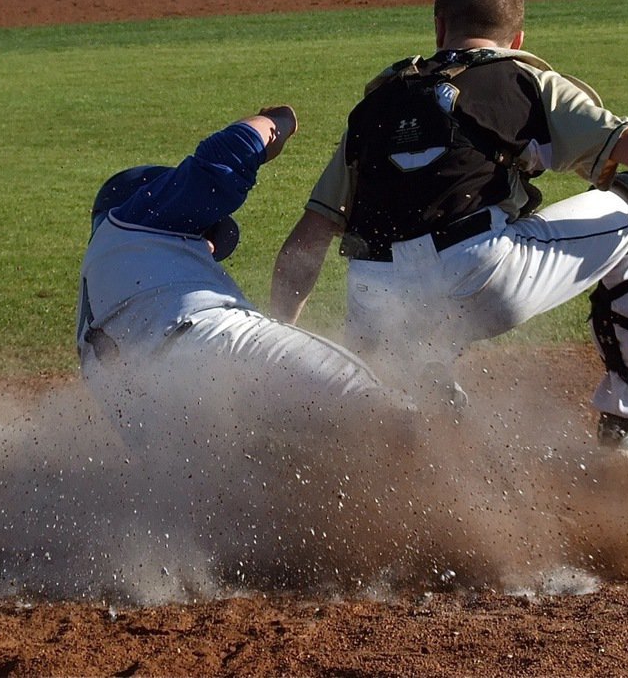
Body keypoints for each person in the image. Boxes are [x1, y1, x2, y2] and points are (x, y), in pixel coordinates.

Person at [270, 0, 628, 457]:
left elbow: (308, 239)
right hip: (477, 276)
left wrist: (280, 344)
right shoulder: (521, 79)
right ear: (517, 38)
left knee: (418, 423)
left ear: (439, 28)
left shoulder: (377, 102)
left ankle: (419, 462)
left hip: (376, 302)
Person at [78, 105, 417, 468]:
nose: (210, 245)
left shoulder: (102, 296)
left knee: (293, 479)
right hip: (212, 346)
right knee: (386, 412)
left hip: (170, 435)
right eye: (206, 234)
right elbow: (223, 158)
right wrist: (280, 122)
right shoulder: (136, 217)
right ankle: (461, 493)